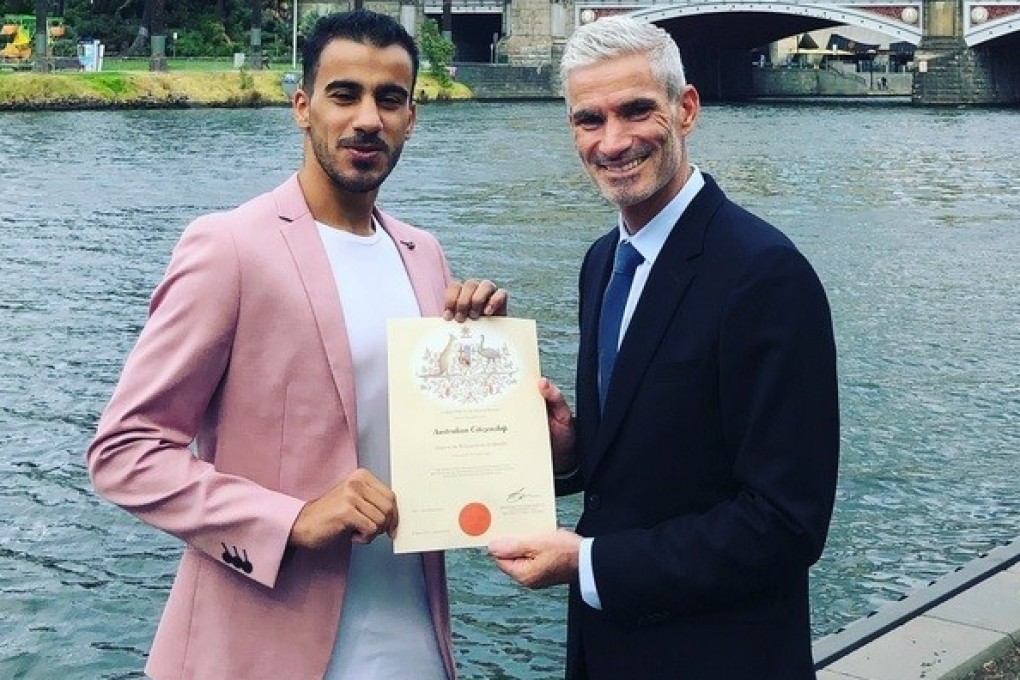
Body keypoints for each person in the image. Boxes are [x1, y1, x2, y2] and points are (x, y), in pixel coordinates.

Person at [87, 10, 506, 680]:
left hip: (416, 647)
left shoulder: (424, 255)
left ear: (411, 119)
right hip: (259, 650)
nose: (367, 118)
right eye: (345, 94)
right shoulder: (229, 247)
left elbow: (443, 444)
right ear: (302, 107)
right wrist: (289, 520)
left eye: (389, 99)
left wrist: (498, 379)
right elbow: (126, 452)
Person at [488, 14, 839, 680]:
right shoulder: (602, 261)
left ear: (686, 109)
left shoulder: (765, 274)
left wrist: (586, 563)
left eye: (636, 111)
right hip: (607, 655)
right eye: (589, 120)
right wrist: (573, 454)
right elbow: (660, 457)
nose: (612, 141)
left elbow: (785, 524)